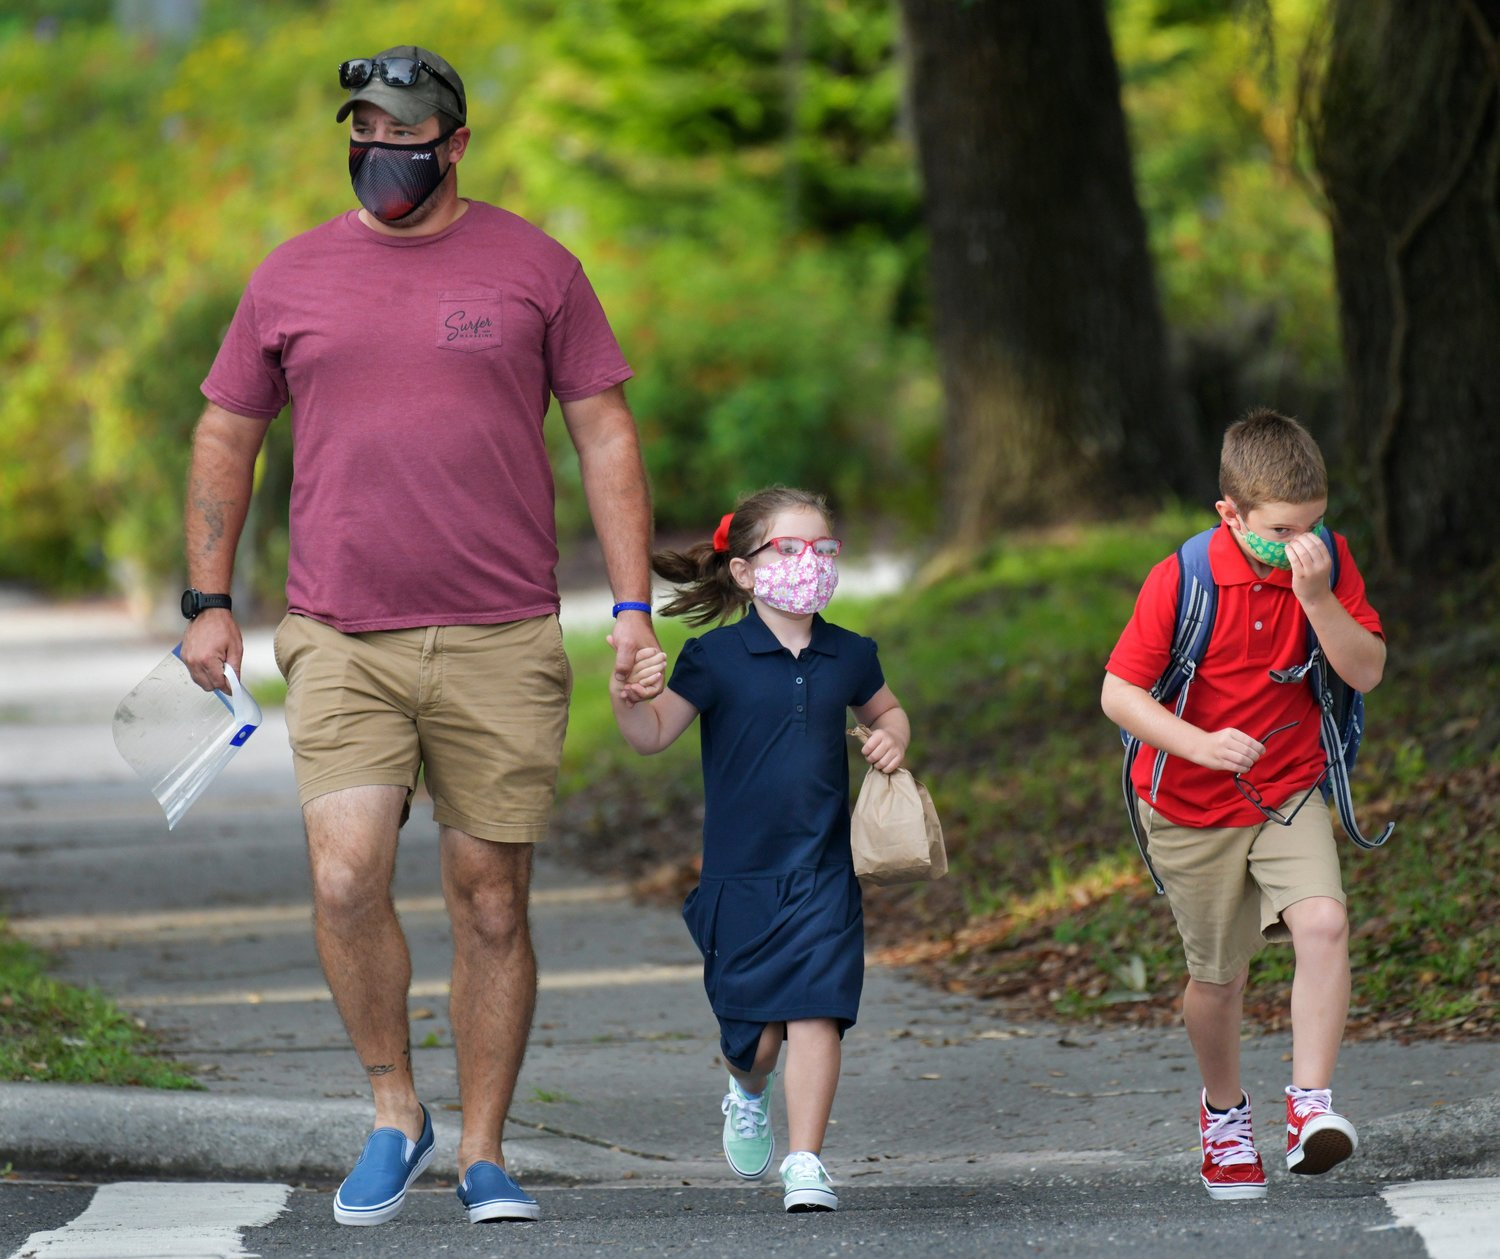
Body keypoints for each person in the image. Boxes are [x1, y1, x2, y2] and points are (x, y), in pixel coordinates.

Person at [179, 46, 659, 1227]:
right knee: (346, 871)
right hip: (341, 630)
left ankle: (484, 1150)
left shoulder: (536, 266)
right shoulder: (291, 277)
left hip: (501, 633)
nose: (380, 151)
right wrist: (206, 597)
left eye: (403, 131)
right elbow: (223, 440)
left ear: (451, 143)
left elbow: (606, 436)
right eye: (363, 130)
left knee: (491, 894)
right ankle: (396, 1109)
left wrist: (636, 609)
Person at [1101, 409, 1386, 1201]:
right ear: (1230, 514)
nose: (1302, 541)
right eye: (1283, 528)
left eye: (1316, 524)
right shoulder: (1182, 577)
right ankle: (1224, 1116)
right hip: (1190, 803)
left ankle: (1310, 1111)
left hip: (1289, 788)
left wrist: (1320, 596)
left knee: (1324, 920)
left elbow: (1365, 671)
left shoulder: (1325, 563)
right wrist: (1198, 743)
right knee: (1219, 979)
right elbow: (1118, 693)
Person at [609, 487, 910, 1213]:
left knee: (817, 1012)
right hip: (740, 880)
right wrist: (624, 692)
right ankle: (747, 1091)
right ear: (744, 572)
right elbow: (652, 734)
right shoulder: (714, 657)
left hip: (823, 872)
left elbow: (889, 709)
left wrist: (891, 737)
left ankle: (806, 1159)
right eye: (788, 549)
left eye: (822, 549)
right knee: (757, 1042)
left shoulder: (850, 653)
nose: (808, 564)